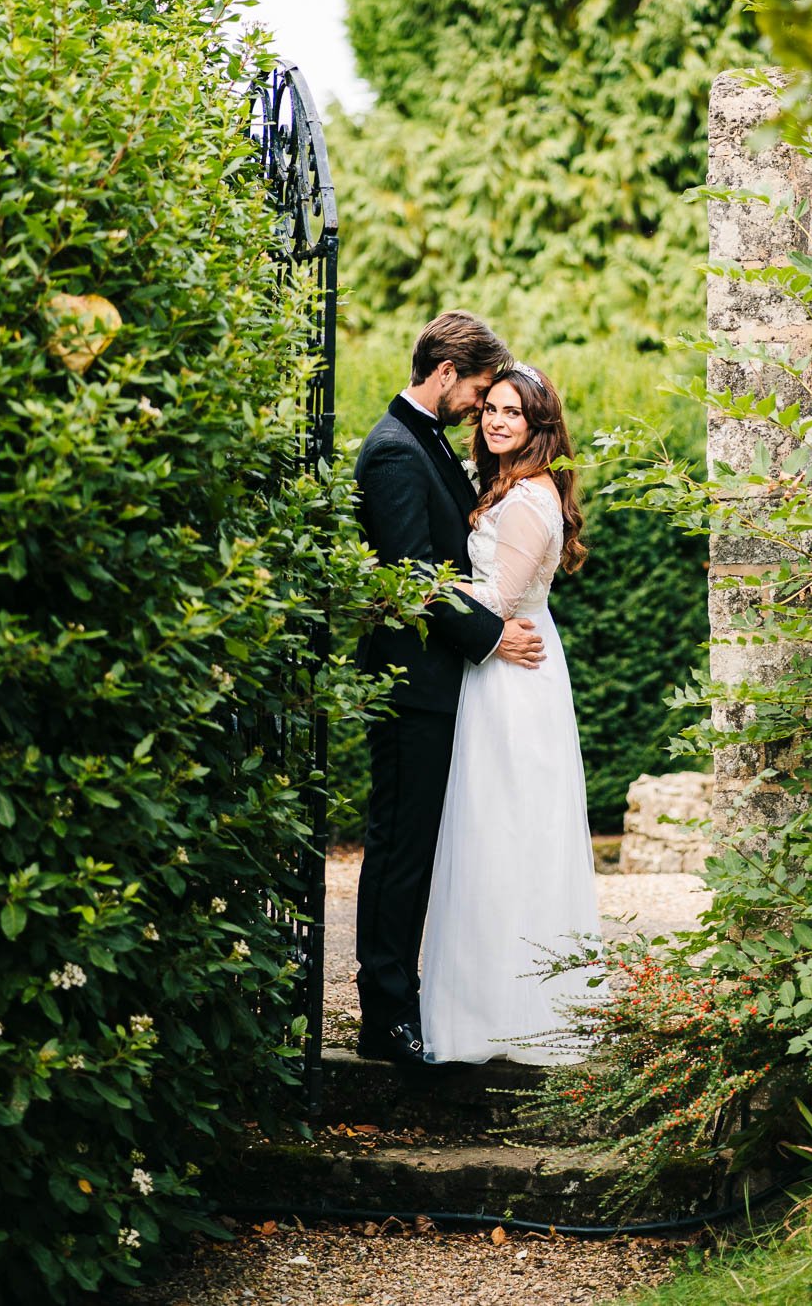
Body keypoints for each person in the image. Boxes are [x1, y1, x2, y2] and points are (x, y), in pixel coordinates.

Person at [354, 313, 546, 1065]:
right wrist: (494, 635)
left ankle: (409, 1000)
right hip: (410, 688)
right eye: (474, 389)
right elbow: (413, 578)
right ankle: (385, 1017)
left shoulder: (423, 439)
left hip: (438, 685)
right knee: (399, 849)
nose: (478, 403)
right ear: (443, 373)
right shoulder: (395, 452)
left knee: (420, 848)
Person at [421, 363, 602, 1065]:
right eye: (491, 409)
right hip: (498, 666)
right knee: (490, 830)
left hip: (513, 674)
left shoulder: (528, 501)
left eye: (513, 414)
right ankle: (488, 999)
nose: (497, 421)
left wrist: (415, 586)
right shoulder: (508, 488)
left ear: (538, 427)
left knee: (508, 831)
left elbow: (496, 599)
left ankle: (512, 1010)